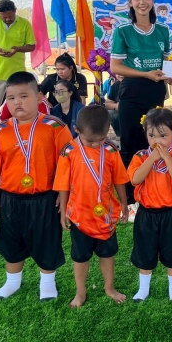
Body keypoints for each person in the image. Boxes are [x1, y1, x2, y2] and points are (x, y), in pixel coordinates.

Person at [0, 71, 73, 301]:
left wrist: (64, 195)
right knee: (12, 241)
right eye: (11, 98)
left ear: (39, 97)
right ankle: (12, 282)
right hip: (10, 199)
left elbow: (68, 165)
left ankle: (47, 283)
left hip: (45, 198)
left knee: (46, 241)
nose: (17, 103)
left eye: (23, 96)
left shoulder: (55, 127)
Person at [55, 105, 129, 307]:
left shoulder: (111, 150)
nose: (96, 144)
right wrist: (63, 212)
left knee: (108, 254)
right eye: (90, 141)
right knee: (80, 257)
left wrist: (124, 203)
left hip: (106, 215)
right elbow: (62, 184)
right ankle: (80, 292)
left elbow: (119, 179)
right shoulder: (69, 151)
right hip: (79, 215)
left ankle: (109, 287)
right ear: (77, 130)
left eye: (101, 139)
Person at [109, 0, 172, 194]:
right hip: (131, 92)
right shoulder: (123, 31)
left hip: (155, 92)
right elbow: (115, 66)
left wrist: (171, 77)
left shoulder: (163, 31)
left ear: (152, 0)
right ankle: (130, 197)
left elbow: (165, 65)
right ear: (130, 3)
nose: (142, 2)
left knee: (154, 141)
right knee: (130, 141)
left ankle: (152, 190)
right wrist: (145, 74)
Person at [128, 108, 172, 303]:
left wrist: (167, 158)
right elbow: (135, 179)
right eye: (151, 135)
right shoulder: (140, 156)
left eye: (163, 136)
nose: (157, 141)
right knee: (145, 252)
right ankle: (143, 289)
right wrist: (152, 159)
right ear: (145, 134)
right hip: (146, 214)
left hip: (171, 214)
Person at [0, 0, 36, 111]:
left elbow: (32, 46)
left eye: (10, 16)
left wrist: (18, 49)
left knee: (18, 108)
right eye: (4, 17)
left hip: (17, 75)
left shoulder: (24, 23)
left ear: (15, 10)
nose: (7, 19)